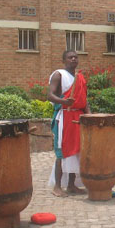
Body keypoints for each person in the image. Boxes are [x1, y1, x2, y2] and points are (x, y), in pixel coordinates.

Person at [48, 50, 91, 197]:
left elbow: (85, 100)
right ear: (64, 60)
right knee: (63, 151)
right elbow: (50, 95)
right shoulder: (58, 75)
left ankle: (72, 185)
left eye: (75, 57)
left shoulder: (80, 77)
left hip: (78, 117)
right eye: (70, 57)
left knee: (77, 151)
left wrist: (89, 116)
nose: (73, 59)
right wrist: (63, 101)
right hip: (65, 116)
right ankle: (57, 187)